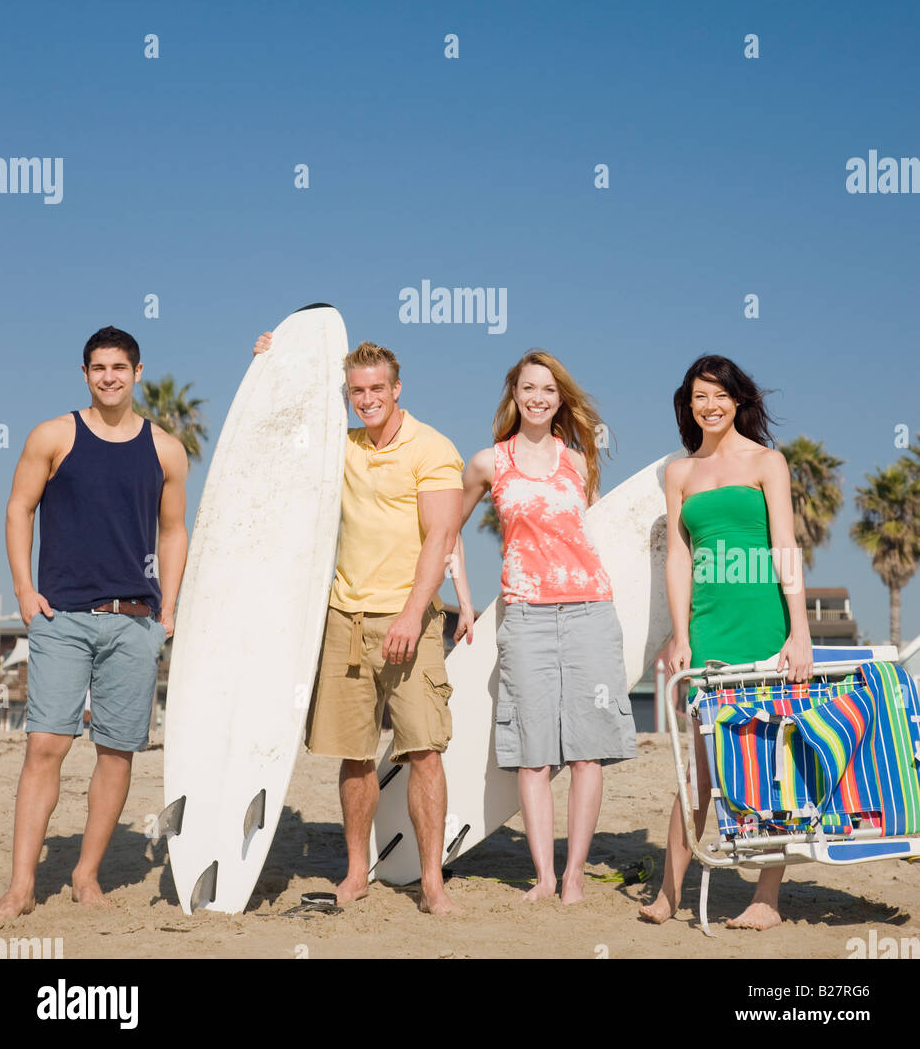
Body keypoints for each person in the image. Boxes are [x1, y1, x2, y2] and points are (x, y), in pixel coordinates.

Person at [253, 333, 469, 915]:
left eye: (377, 389)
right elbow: (275, 437)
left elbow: (441, 541)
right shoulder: (340, 447)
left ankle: (431, 881)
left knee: (423, 750)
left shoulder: (434, 448)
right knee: (353, 754)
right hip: (344, 618)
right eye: (356, 391)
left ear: (397, 389)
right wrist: (276, 362)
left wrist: (407, 614)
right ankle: (356, 873)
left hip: (411, 620)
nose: (367, 399)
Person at [0, 327, 188, 924]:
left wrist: (169, 609)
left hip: (133, 621)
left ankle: (85, 874)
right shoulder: (54, 436)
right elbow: (19, 507)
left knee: (117, 752)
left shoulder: (165, 449)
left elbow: (174, 529)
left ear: (137, 371)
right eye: (98, 368)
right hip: (62, 617)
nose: (108, 377)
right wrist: (25, 590)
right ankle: (21, 885)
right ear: (84, 374)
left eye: (119, 367)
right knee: (46, 744)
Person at [639, 354, 813, 931]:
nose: (708, 406)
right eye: (697, 398)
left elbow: (785, 544)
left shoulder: (768, 461)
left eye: (718, 395)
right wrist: (681, 633)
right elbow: (680, 557)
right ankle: (668, 893)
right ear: (688, 406)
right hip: (709, 629)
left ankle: (766, 899)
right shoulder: (679, 472)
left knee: (770, 761)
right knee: (701, 771)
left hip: (764, 625)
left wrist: (800, 631)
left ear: (738, 400)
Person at [459, 350, 636, 904]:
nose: (538, 398)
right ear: (514, 394)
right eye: (529, 388)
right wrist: (464, 601)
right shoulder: (489, 462)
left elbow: (601, 530)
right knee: (532, 753)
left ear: (561, 400)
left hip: (589, 609)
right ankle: (543, 877)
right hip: (526, 616)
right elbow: (444, 531)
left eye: (549, 390)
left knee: (588, 751)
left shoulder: (579, 462)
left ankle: (575, 875)